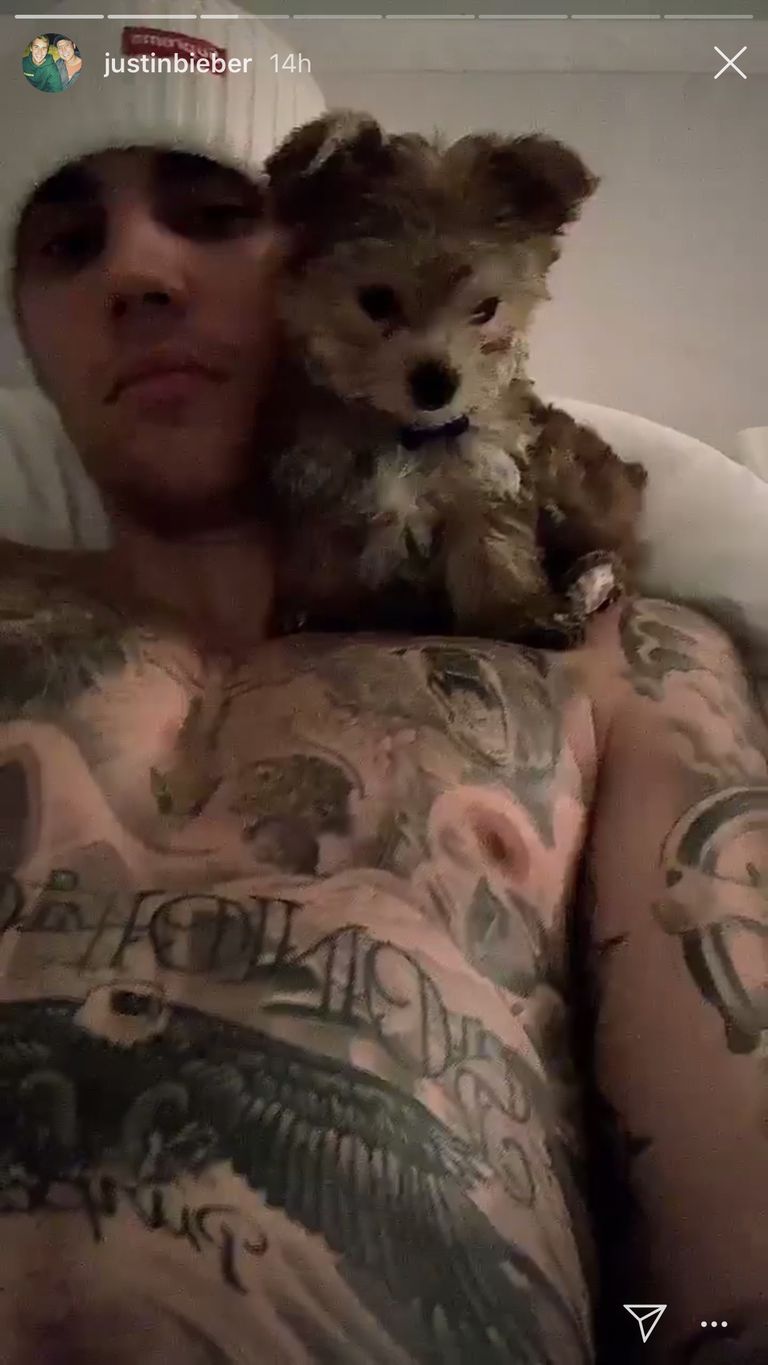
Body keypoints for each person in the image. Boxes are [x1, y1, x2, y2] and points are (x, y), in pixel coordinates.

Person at [1, 4, 767, 1363]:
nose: (136, 272)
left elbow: (733, 1281)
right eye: (66, 244)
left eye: (212, 216)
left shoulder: (610, 667)